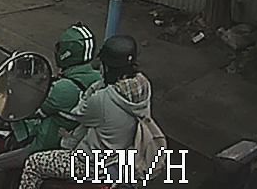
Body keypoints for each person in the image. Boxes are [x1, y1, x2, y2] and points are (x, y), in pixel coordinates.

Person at [17, 35, 157, 189]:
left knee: (33, 163)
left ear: (106, 67)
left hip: (90, 164)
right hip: (122, 160)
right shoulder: (143, 86)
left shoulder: (102, 99)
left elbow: (79, 113)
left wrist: (95, 88)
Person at [0, 24, 103, 189]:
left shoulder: (64, 89)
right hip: (80, 143)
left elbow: (31, 107)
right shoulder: (98, 79)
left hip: (49, 145)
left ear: (66, 53)